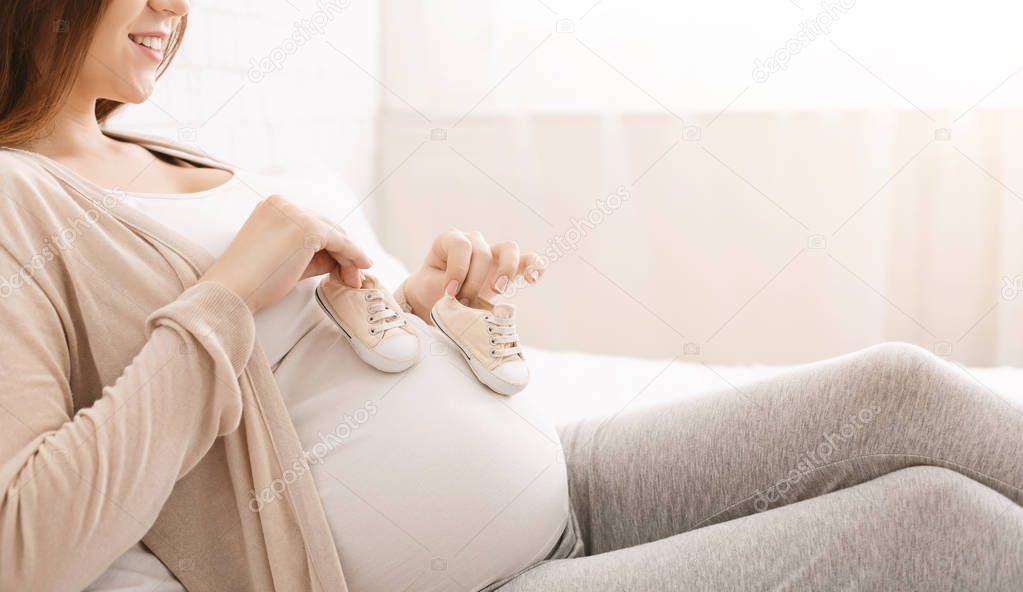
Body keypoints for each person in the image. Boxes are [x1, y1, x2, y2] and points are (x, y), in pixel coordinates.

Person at [0, 1, 1020, 591]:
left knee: (904, 390)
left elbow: (293, 380)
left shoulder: (148, 143)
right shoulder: (18, 201)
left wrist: (429, 307)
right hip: (476, 579)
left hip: (559, 479)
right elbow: (27, 539)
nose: (173, 4)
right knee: (933, 526)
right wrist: (228, 291)